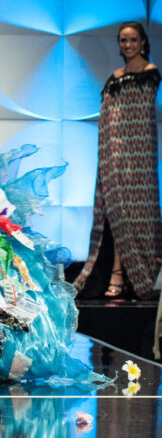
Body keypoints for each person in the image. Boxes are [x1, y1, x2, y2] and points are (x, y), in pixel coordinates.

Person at [74, 21, 162, 300]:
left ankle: (140, 275)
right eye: (124, 40)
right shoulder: (115, 76)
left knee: (139, 213)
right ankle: (118, 272)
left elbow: (140, 113)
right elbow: (110, 114)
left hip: (139, 155)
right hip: (114, 151)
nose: (128, 45)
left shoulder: (149, 73)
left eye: (133, 39)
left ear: (143, 42)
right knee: (117, 211)